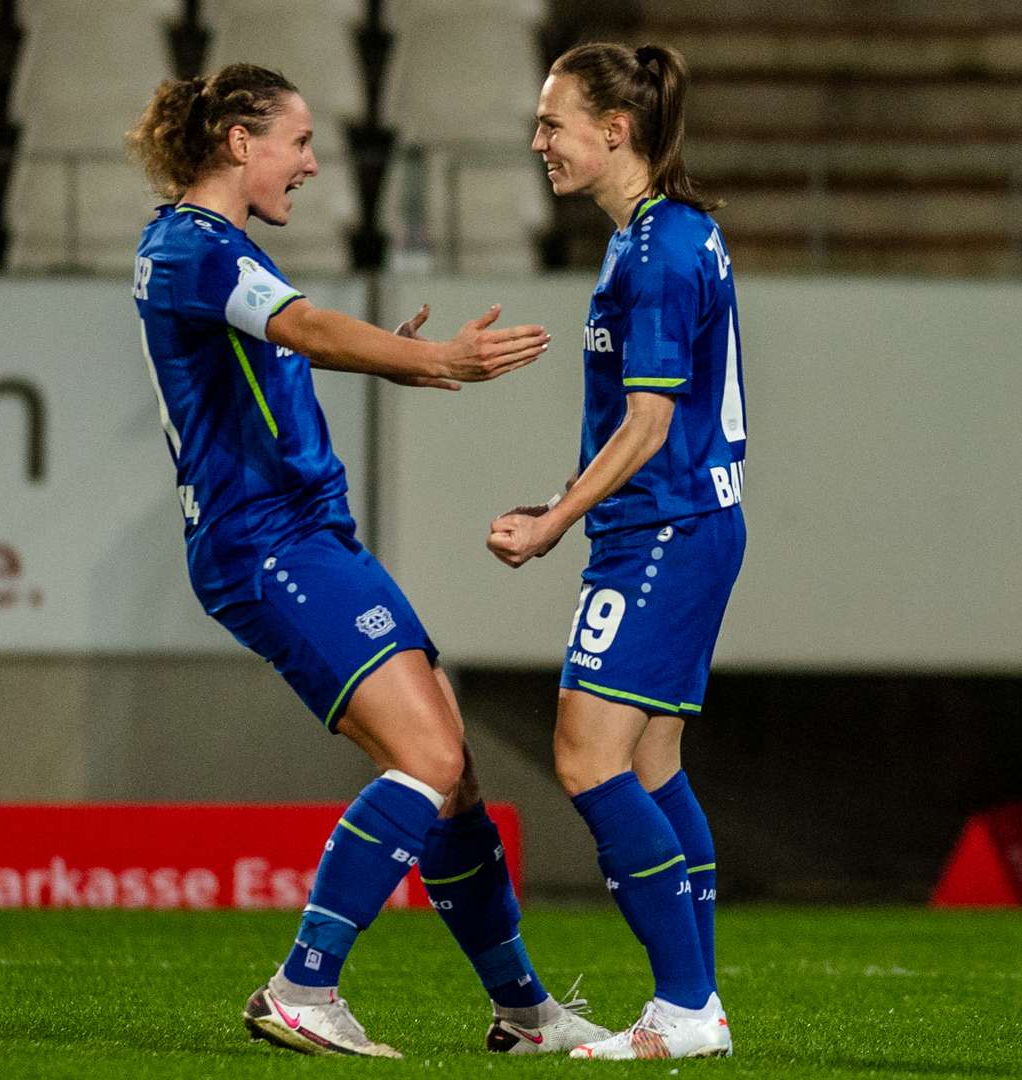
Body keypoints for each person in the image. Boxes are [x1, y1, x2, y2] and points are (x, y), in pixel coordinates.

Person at [125, 63, 609, 1058]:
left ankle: (524, 1014)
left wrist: (390, 352)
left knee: (452, 773)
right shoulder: (192, 245)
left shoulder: (209, 248)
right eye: (298, 142)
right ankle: (303, 988)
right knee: (427, 759)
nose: (310, 165)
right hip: (268, 541)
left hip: (306, 533)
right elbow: (302, 326)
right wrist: (434, 360)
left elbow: (282, 345)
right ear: (240, 142)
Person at [487, 42, 745, 1061]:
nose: (538, 141)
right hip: (678, 523)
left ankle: (686, 1007)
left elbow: (647, 424)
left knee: (585, 756)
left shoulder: (658, 250)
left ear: (615, 129)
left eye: (553, 122)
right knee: (651, 762)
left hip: (665, 528)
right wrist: (568, 502)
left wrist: (553, 522)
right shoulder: (657, 234)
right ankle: (697, 1007)